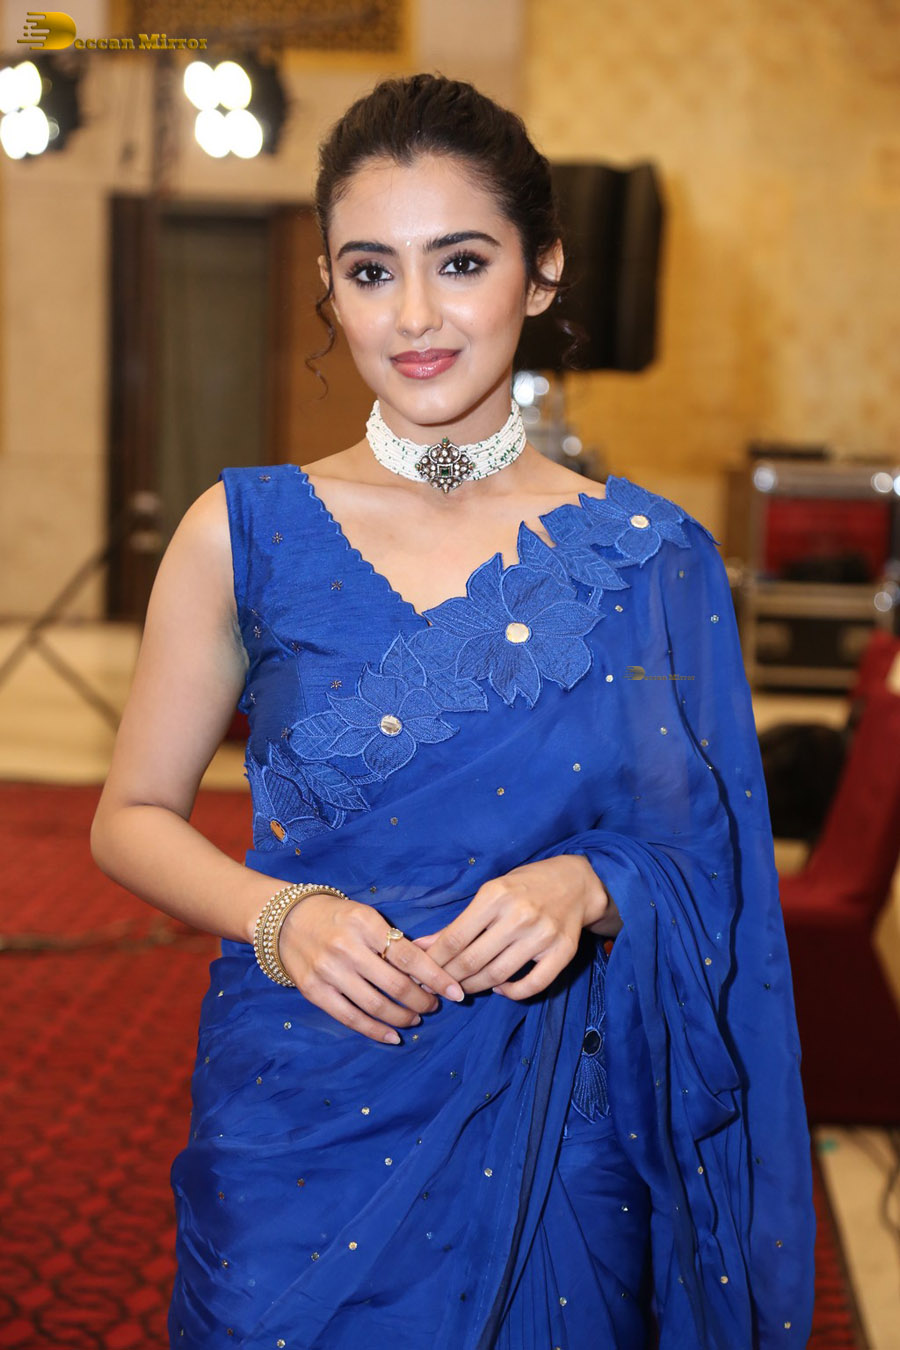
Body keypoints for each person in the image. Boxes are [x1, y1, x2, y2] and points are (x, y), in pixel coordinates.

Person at [91, 73, 815, 1349]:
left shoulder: (651, 558)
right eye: (371, 271)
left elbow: (710, 865)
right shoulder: (238, 531)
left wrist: (591, 886)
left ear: (541, 272)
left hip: (562, 1125)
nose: (415, 315)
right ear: (330, 289)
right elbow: (130, 814)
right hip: (297, 1101)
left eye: (461, 262)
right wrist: (281, 916)